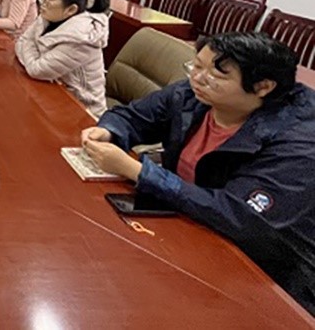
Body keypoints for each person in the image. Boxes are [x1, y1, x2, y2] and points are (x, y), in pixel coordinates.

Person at [81, 32, 315, 314]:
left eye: (216, 74)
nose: (198, 78)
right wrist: (109, 130)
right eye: (196, 65)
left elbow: (239, 215)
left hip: (270, 272)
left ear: (263, 86)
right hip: (187, 230)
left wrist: (138, 171)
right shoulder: (194, 95)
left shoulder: (300, 142)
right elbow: (133, 116)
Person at [15, 0, 109, 116]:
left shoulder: (80, 38)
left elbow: (36, 69)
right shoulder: (50, 15)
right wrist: (32, 57)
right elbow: (21, 41)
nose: (42, 4)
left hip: (83, 109)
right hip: (52, 91)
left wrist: (30, 55)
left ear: (71, 9)